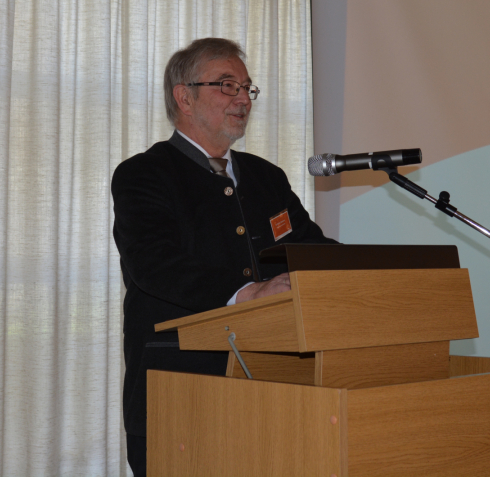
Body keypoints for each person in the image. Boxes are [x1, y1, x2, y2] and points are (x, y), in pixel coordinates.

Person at [111, 38, 336, 476]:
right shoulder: (144, 174)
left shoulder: (266, 177)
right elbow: (153, 264)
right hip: (180, 390)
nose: (242, 99)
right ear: (184, 97)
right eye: (227, 85)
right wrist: (247, 293)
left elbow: (308, 247)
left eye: (247, 88)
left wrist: (370, 272)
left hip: (272, 387)